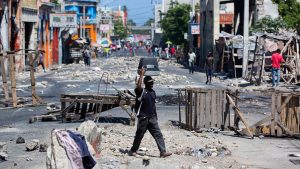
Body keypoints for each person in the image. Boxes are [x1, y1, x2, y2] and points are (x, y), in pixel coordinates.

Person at [129, 69, 172, 158]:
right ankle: (133, 150)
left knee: (158, 134)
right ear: (146, 83)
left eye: (152, 82)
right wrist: (141, 75)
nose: (152, 84)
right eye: (150, 83)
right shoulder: (141, 92)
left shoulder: (153, 92)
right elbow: (139, 86)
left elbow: (153, 104)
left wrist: (155, 115)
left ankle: (163, 152)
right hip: (143, 118)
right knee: (139, 135)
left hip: (152, 118)